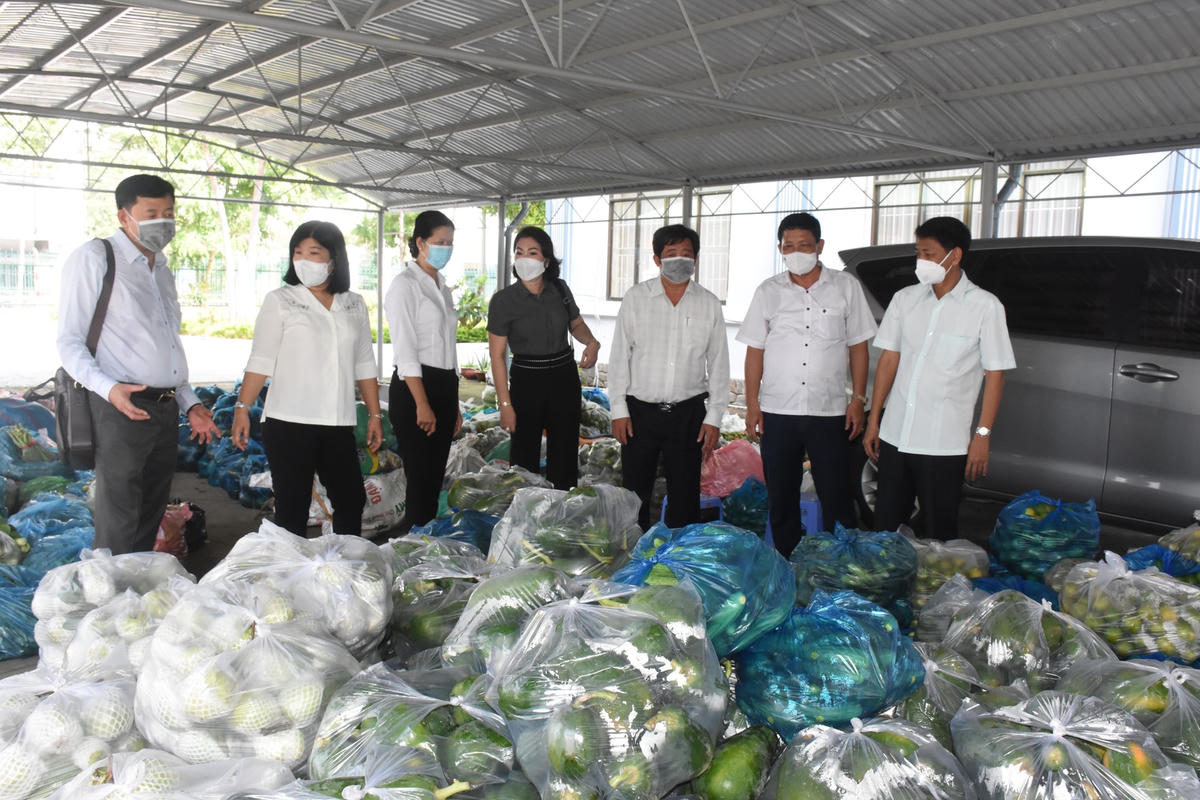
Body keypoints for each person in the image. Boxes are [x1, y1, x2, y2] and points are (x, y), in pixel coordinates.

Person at [57, 174, 221, 555]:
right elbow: (69, 342)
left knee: (151, 509)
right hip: (120, 407)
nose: (163, 222)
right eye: (151, 213)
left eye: (169, 213)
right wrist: (108, 389)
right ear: (124, 216)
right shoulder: (96, 257)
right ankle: (110, 600)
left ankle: (137, 589)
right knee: (119, 514)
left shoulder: (161, 270)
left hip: (164, 410)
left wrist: (191, 404)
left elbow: (167, 348)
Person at [863, 216, 1016, 539]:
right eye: (918, 252)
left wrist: (983, 435)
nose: (921, 261)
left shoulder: (985, 307)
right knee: (885, 527)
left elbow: (995, 374)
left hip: (943, 442)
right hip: (896, 434)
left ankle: (937, 590)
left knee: (939, 532)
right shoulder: (905, 300)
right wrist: (874, 420)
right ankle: (887, 587)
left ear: (955, 255)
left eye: (929, 253)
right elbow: (889, 360)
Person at [737, 212, 876, 557]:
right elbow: (755, 351)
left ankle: (837, 562)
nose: (795, 252)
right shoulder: (769, 291)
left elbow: (858, 346)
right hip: (777, 409)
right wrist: (752, 404)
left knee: (836, 494)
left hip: (829, 410)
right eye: (788, 246)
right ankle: (787, 560)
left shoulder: (845, 288)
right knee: (781, 495)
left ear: (820, 247)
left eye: (804, 245)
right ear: (780, 249)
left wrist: (858, 399)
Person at [231, 221, 381, 536]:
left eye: (313, 253)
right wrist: (242, 407)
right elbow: (261, 359)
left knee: (351, 499)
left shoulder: (354, 303)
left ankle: (344, 566)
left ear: (334, 260)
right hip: (288, 421)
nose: (303, 260)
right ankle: (291, 578)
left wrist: (375, 414)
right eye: (297, 253)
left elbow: (365, 362)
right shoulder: (281, 300)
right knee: (292, 509)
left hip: (337, 422)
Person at [609, 224, 730, 530]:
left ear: (696, 260)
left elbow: (719, 363)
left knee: (685, 494)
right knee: (634, 493)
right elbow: (620, 356)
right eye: (671, 253)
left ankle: (677, 561)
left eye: (686, 254)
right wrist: (618, 410)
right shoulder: (636, 298)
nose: (679, 260)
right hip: (639, 413)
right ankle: (632, 556)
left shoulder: (709, 303)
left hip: (688, 414)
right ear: (656, 259)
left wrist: (714, 416)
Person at [486, 226, 601, 489]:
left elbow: (577, 324)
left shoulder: (559, 289)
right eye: (519, 252)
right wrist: (505, 404)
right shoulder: (503, 301)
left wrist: (592, 342)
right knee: (524, 455)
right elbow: (497, 356)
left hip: (563, 377)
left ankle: (561, 511)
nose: (524, 258)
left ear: (546, 259)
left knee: (564, 451)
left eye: (532, 252)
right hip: (527, 380)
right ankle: (525, 512)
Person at [384, 209, 462, 530]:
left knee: (433, 478)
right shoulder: (404, 286)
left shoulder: (442, 287)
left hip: (443, 386)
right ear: (420, 242)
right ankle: (412, 547)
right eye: (440, 241)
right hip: (415, 387)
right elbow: (406, 350)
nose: (446, 248)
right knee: (419, 477)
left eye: (450, 242)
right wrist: (422, 403)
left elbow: (450, 349)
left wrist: (453, 402)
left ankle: (424, 547)